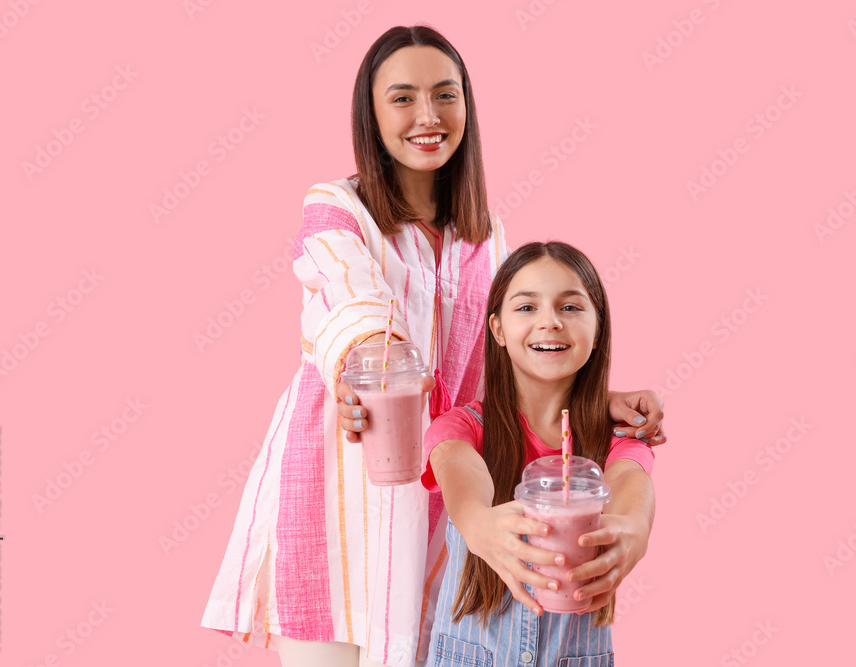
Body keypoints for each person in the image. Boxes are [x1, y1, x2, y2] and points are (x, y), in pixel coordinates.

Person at [202, 25, 665, 667]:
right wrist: (365, 363)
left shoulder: (488, 236)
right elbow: (350, 301)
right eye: (402, 98)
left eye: (445, 95)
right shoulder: (338, 207)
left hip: (442, 499)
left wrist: (589, 394)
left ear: (467, 108)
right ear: (371, 114)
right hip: (341, 482)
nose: (428, 116)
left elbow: (501, 365)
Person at [422, 241, 655, 666]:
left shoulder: (619, 436)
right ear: (497, 329)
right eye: (527, 308)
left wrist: (634, 530)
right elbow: (457, 467)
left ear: (598, 327)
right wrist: (477, 522)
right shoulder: (463, 428)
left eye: (570, 307)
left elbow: (628, 481)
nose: (550, 322)